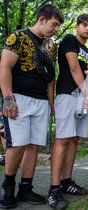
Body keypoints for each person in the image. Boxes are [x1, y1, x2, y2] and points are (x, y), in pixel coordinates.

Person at [0, 4, 64, 209]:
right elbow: (5, 66)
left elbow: (51, 76)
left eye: (58, 26)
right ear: (42, 19)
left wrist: (51, 102)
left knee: (33, 145)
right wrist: (8, 98)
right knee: (17, 145)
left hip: (41, 102)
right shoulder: (17, 37)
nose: (55, 29)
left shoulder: (51, 45)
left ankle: (25, 188)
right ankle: (7, 186)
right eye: (54, 24)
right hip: (19, 98)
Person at [48, 14, 88, 209]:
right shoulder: (69, 39)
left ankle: (67, 181)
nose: (87, 29)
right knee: (63, 138)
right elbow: (73, 67)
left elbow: (85, 72)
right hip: (68, 95)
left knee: (74, 139)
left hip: (83, 98)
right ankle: (54, 188)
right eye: (84, 25)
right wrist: (86, 93)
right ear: (77, 26)